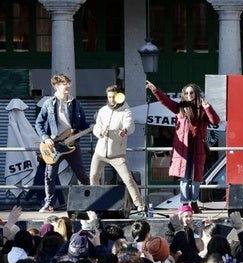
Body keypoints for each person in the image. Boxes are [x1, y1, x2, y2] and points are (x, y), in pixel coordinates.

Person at [145, 81, 220, 213]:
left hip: (198, 147)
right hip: (183, 148)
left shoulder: (202, 109)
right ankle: (185, 204)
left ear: (196, 94)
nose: (189, 95)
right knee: (184, 177)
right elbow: (165, 101)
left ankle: (194, 202)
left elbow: (215, 121)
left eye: (191, 92)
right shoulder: (180, 108)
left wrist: (208, 107)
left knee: (196, 177)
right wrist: (155, 90)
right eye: (186, 93)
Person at [35, 73, 90, 213]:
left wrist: (95, 129)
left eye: (68, 83)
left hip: (72, 145)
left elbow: (83, 124)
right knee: (49, 176)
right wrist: (46, 138)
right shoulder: (48, 103)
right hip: (54, 144)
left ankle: (92, 201)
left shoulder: (76, 103)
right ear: (56, 86)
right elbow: (39, 123)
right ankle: (49, 204)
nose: (68, 85)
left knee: (82, 175)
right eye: (64, 83)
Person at [90, 85, 144, 214]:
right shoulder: (102, 110)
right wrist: (100, 132)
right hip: (100, 152)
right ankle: (96, 204)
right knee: (93, 177)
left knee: (128, 179)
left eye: (114, 97)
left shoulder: (126, 110)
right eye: (109, 97)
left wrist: (124, 131)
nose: (111, 100)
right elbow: (96, 127)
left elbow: (130, 125)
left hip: (117, 154)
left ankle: (140, 205)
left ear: (120, 96)